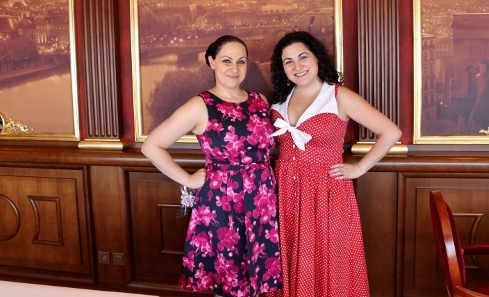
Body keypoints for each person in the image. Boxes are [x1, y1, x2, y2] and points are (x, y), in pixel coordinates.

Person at [141, 35, 282, 297]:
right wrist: (189, 179)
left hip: (262, 198)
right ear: (211, 61)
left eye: (241, 61)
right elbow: (151, 146)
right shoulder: (201, 105)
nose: (235, 68)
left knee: (258, 277)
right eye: (226, 60)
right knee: (228, 279)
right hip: (223, 201)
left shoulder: (259, 99)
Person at [266, 31, 401, 297]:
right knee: (287, 255)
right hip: (283, 194)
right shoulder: (280, 102)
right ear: (282, 68)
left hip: (326, 192)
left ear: (317, 57)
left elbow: (391, 132)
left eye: (303, 57)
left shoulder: (338, 96)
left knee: (328, 256)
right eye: (288, 61)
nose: (297, 66)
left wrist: (359, 168)